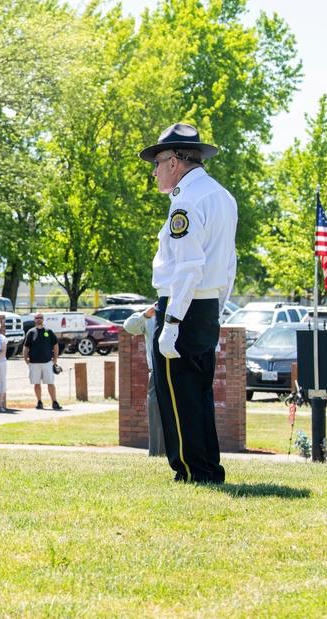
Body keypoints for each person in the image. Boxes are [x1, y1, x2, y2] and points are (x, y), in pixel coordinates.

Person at [140, 123, 237, 484]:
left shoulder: (186, 200)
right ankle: (208, 467)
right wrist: (218, 307)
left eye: (157, 163)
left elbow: (188, 266)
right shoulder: (222, 196)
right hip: (206, 304)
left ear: (175, 163)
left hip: (183, 307)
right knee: (199, 394)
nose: (155, 172)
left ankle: (191, 470)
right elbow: (229, 263)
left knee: (178, 395)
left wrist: (173, 321)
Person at [123, 304, 165, 456]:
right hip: (156, 371)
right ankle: (157, 453)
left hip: (180, 371)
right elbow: (129, 327)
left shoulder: (182, 309)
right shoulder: (151, 315)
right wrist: (146, 315)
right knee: (155, 412)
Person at [22, 313, 60, 410]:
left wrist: (55, 358)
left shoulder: (48, 331)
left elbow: (55, 345)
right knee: (36, 382)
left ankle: (54, 402)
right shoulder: (31, 332)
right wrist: (25, 358)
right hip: (34, 362)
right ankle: (39, 401)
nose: (39, 319)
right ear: (34, 319)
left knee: (50, 382)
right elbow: (25, 346)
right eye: (37, 318)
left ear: (43, 319)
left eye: (40, 318)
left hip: (47, 361)